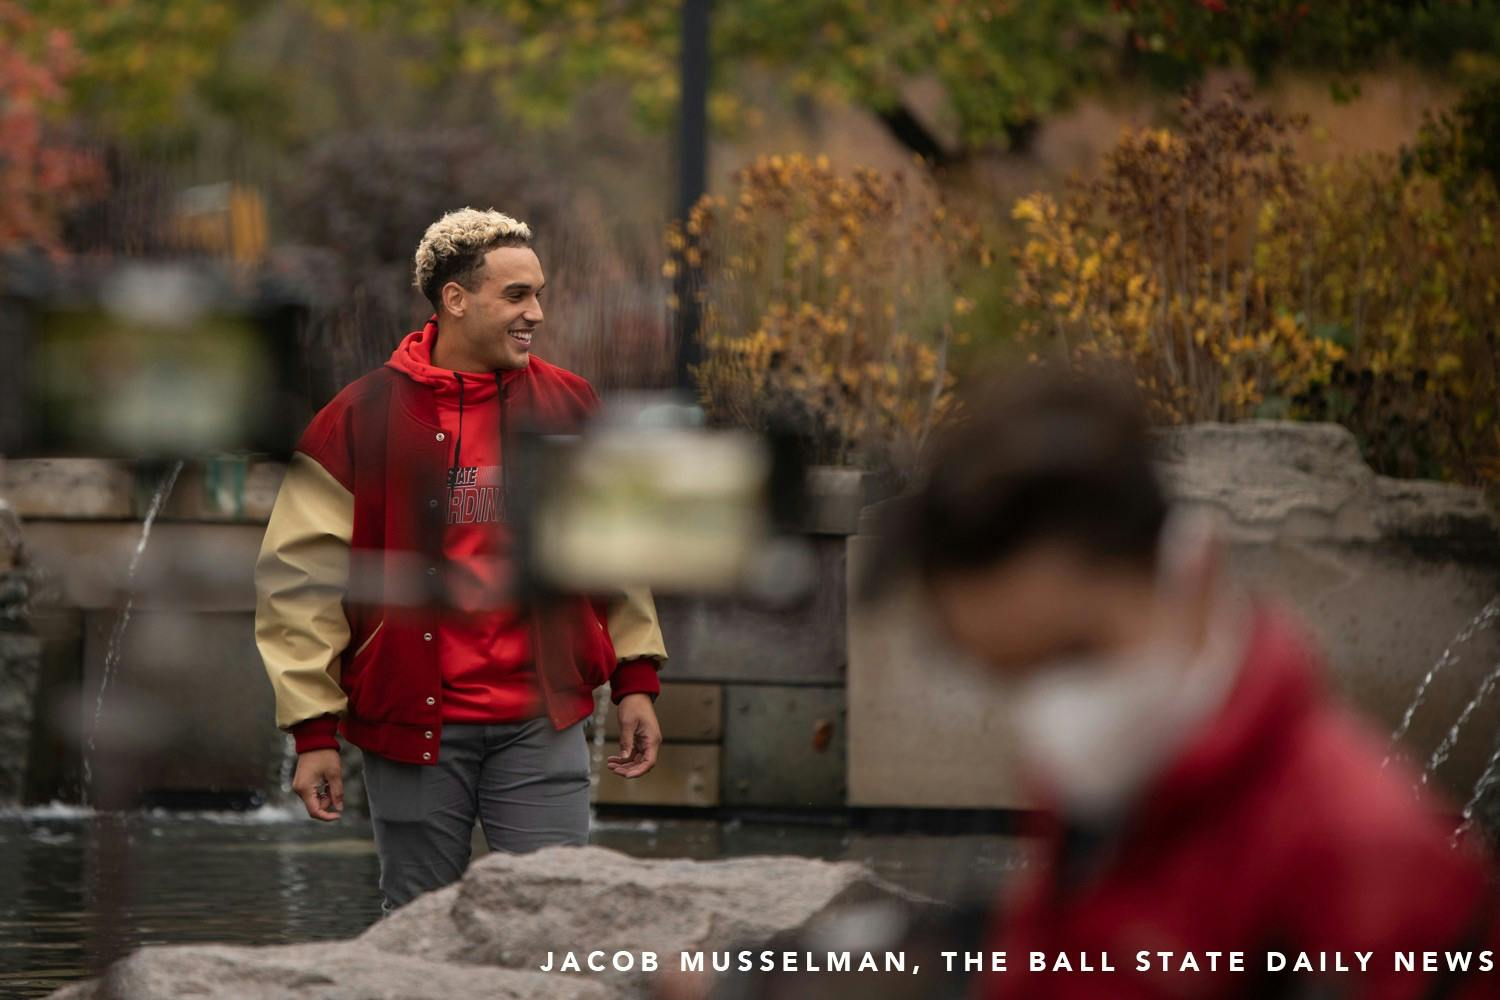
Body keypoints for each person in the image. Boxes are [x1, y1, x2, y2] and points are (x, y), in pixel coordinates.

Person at [871, 368, 1498, 1000]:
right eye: (1012, 675)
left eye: (1077, 654)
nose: (1054, 709)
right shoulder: (1107, 795)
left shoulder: (1370, 854)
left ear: (1190, 575)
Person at [255, 207, 667, 917]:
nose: (535, 312)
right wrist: (314, 731)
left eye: (539, 294)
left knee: (556, 921)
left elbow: (617, 550)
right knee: (417, 929)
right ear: (455, 299)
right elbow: (300, 582)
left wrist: (635, 677)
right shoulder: (358, 417)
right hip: (413, 726)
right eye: (516, 296)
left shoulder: (572, 406)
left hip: (544, 717)